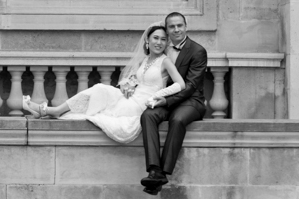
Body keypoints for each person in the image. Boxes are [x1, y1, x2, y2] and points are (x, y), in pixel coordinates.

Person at [23, 23, 185, 144]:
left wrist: (157, 96)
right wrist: (127, 85)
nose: (159, 42)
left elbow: (180, 84)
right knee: (100, 89)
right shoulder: (145, 60)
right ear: (148, 41)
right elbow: (135, 80)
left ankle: (49, 111)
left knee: (101, 108)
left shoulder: (165, 62)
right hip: (133, 96)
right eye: (155, 38)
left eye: (163, 39)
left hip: (143, 103)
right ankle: (56, 110)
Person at [138, 12, 208, 195]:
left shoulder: (197, 51)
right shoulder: (163, 48)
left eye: (180, 25)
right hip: (166, 98)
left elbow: (192, 85)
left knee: (177, 120)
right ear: (167, 30)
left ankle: (163, 172)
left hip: (191, 101)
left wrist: (167, 101)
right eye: (172, 26)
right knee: (148, 115)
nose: (176, 29)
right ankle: (154, 170)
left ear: (186, 27)